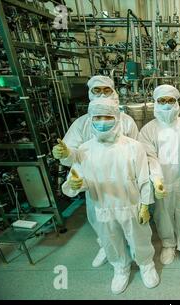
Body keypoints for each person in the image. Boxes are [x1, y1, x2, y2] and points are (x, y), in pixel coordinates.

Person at [61, 97, 159, 294]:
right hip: (103, 205)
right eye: (98, 117)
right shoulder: (84, 149)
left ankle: (146, 265)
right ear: (91, 119)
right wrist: (74, 184)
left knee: (139, 238)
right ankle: (120, 268)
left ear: (117, 118)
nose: (103, 121)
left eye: (107, 116)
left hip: (131, 204)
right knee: (110, 240)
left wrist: (145, 204)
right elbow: (77, 180)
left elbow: (143, 178)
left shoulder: (133, 146)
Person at [52, 75, 139, 268]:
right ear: (90, 94)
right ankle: (108, 248)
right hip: (96, 186)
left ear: (114, 92)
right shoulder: (82, 123)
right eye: (96, 91)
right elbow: (74, 155)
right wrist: (64, 153)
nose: (102, 95)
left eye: (106, 90)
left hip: (124, 185)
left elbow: (137, 153)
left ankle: (135, 252)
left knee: (132, 227)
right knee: (103, 225)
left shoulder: (127, 122)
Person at [138, 85, 180, 273]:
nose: (167, 105)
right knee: (163, 215)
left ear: (177, 103)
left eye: (171, 101)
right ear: (156, 103)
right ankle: (168, 243)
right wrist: (157, 180)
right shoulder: (148, 129)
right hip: (160, 182)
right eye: (162, 101)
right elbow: (149, 157)